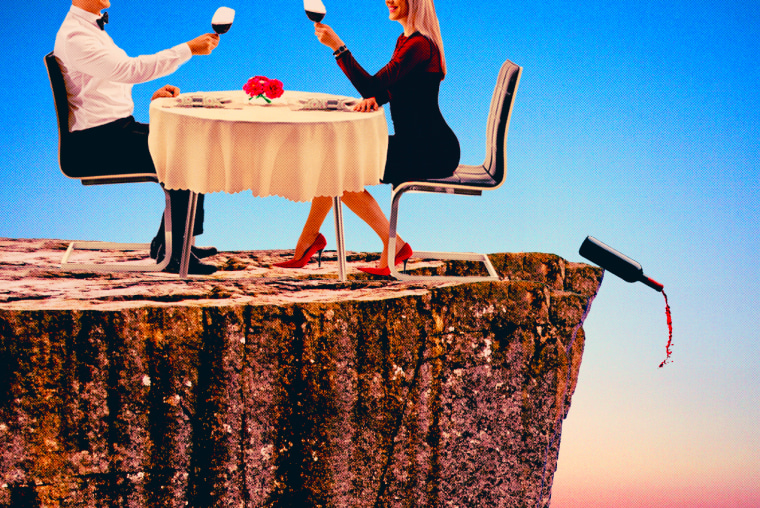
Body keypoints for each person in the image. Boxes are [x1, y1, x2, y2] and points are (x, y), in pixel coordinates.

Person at [275, 0, 460, 276]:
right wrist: (377, 99)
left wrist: (339, 48)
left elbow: (371, 84)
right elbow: (397, 87)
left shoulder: (419, 45)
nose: (388, 0)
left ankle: (392, 245)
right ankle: (309, 240)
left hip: (431, 150)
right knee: (333, 164)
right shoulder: (407, 41)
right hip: (418, 144)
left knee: (339, 173)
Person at [54, 0, 221, 274]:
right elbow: (128, 70)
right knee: (185, 156)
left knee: (193, 143)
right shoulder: (76, 36)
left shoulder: (90, 29)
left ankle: (169, 242)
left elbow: (110, 80)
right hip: (95, 144)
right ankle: (174, 255)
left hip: (114, 129)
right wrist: (188, 49)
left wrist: (153, 99)